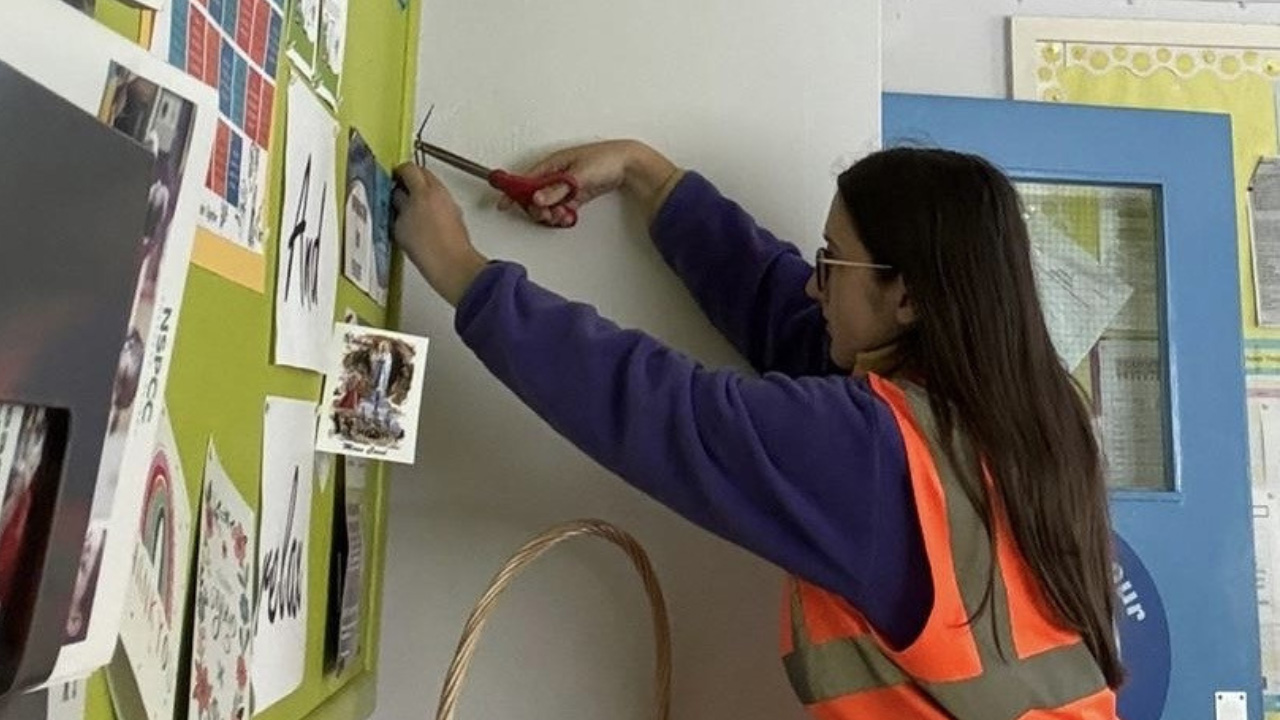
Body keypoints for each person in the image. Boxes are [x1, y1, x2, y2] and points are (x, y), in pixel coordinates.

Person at [391, 139, 1123, 719]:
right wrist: (646, 173)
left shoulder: (881, 459)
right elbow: (790, 315)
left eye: (832, 261)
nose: (814, 281)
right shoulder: (1036, 422)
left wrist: (460, 268)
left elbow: (668, 411)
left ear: (906, 299)